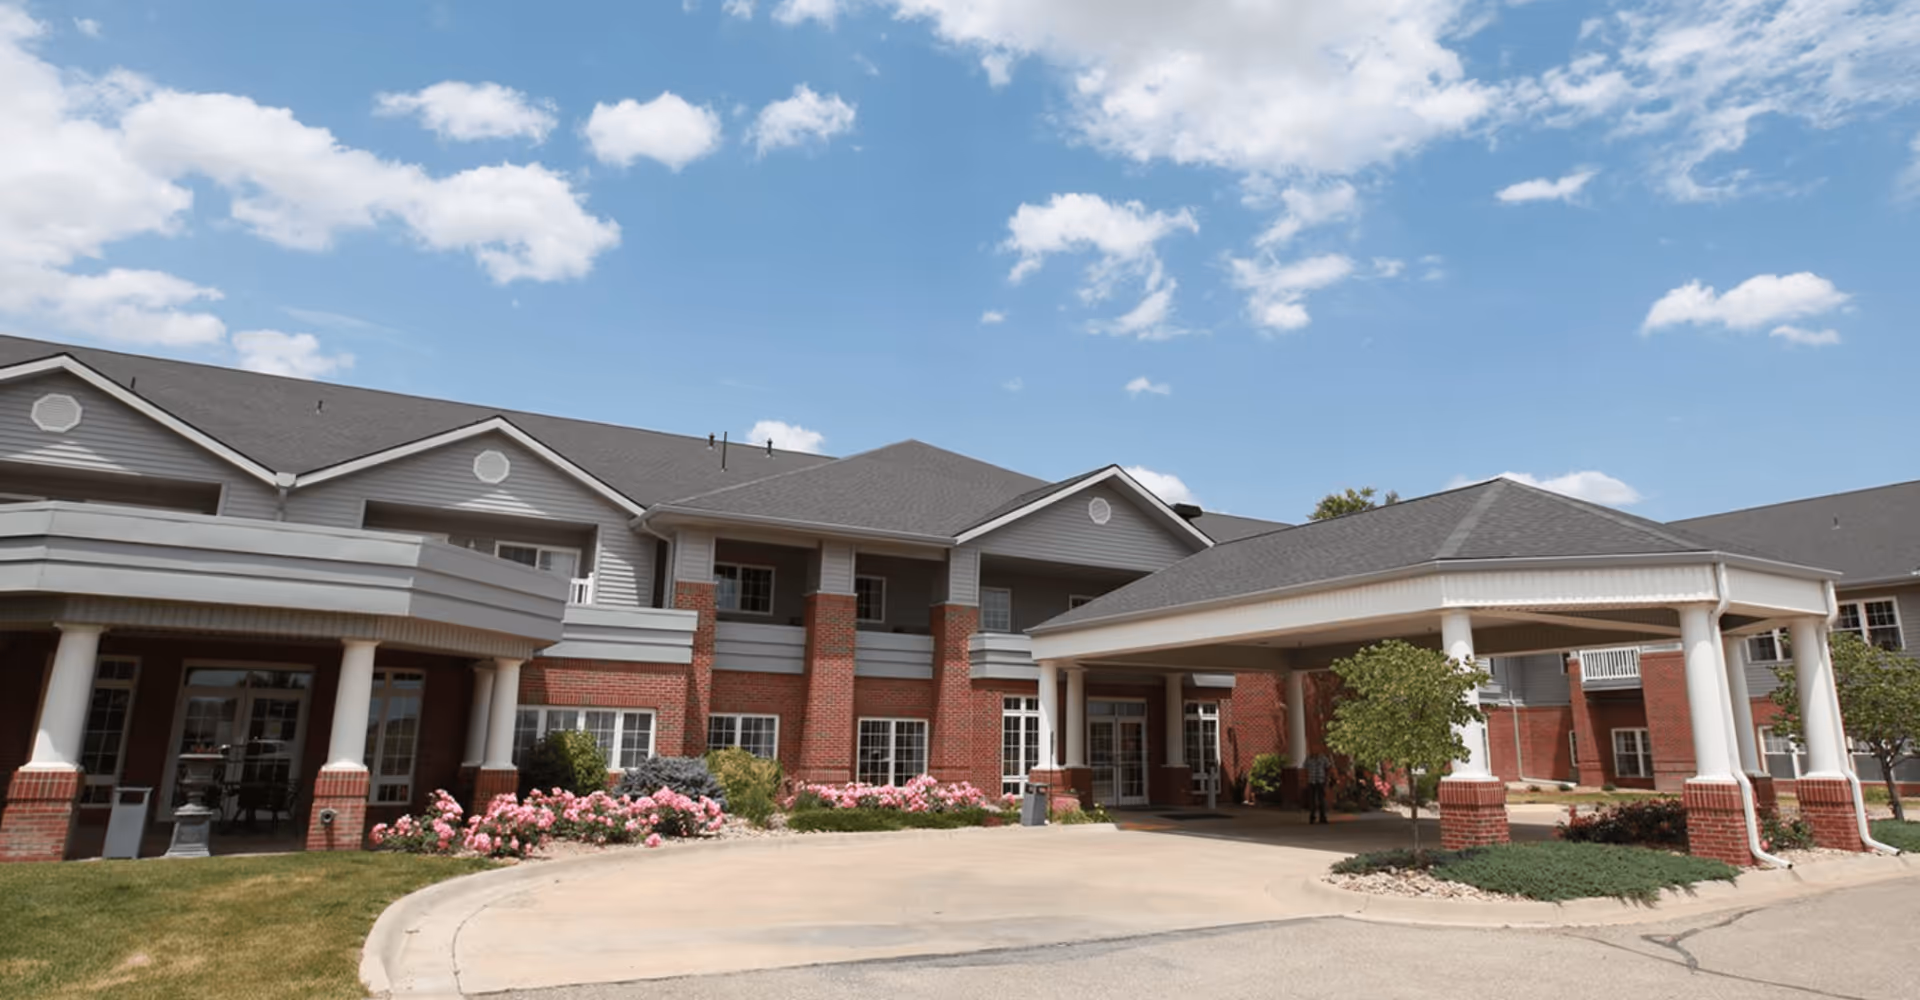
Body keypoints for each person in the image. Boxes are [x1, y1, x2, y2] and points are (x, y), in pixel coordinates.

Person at [1304, 750, 1333, 824]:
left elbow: (1328, 768)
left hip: (1320, 781)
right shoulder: (1308, 759)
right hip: (1311, 781)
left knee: (1321, 799)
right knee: (1312, 799)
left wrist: (1327, 779)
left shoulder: (1323, 758)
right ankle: (1312, 816)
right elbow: (1305, 769)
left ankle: (1322, 816)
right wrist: (1306, 779)